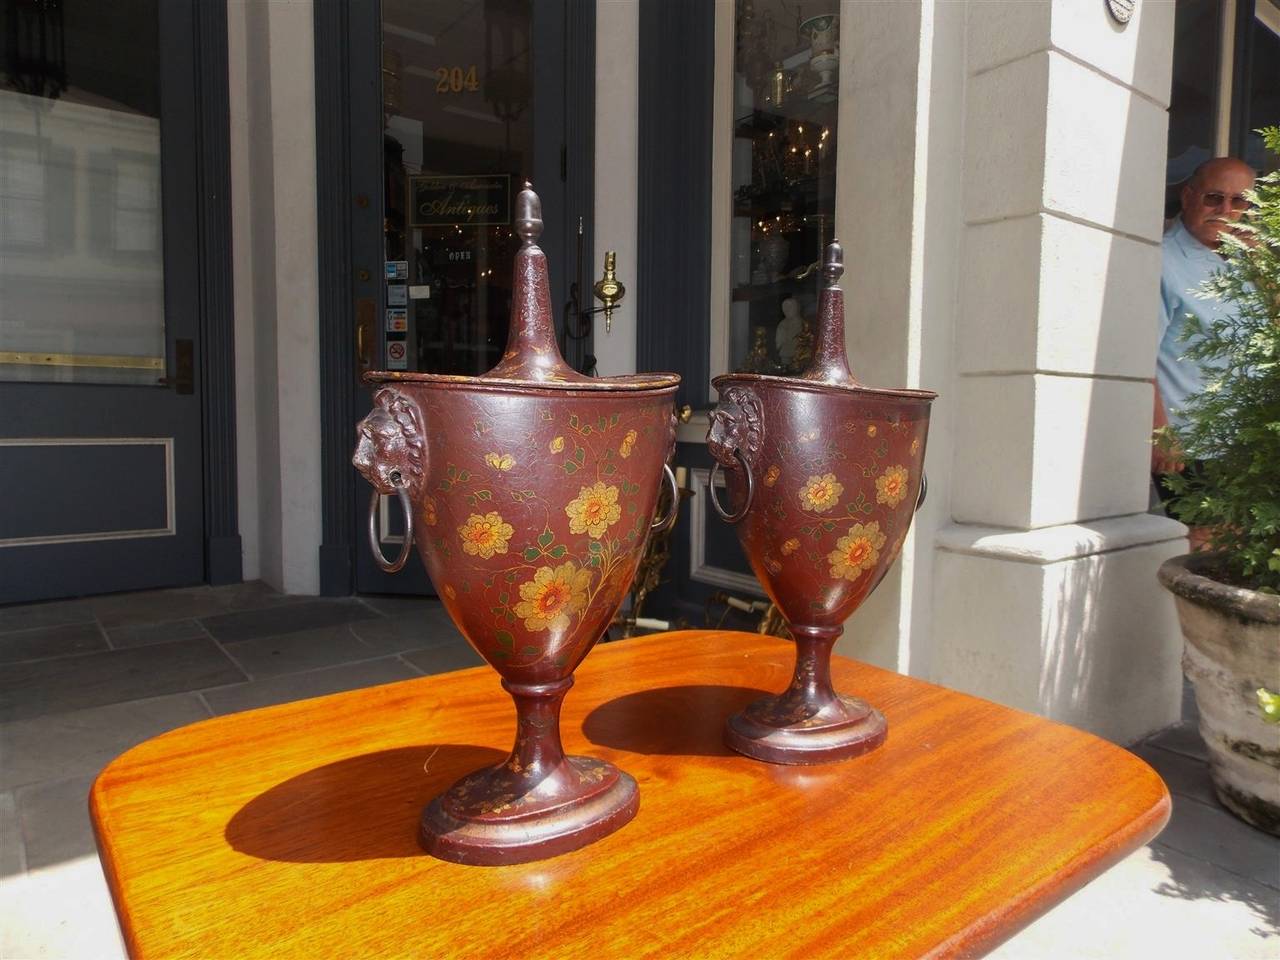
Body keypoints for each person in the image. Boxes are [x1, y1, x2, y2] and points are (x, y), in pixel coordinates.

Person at [1153, 157, 1257, 509]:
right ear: (1188, 196)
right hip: (1191, 445)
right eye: (1214, 197)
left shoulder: (1244, 260)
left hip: (1246, 443)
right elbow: (1136, 361)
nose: (1226, 210)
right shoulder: (1161, 261)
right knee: (1203, 548)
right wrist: (1160, 435)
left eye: (1239, 201)